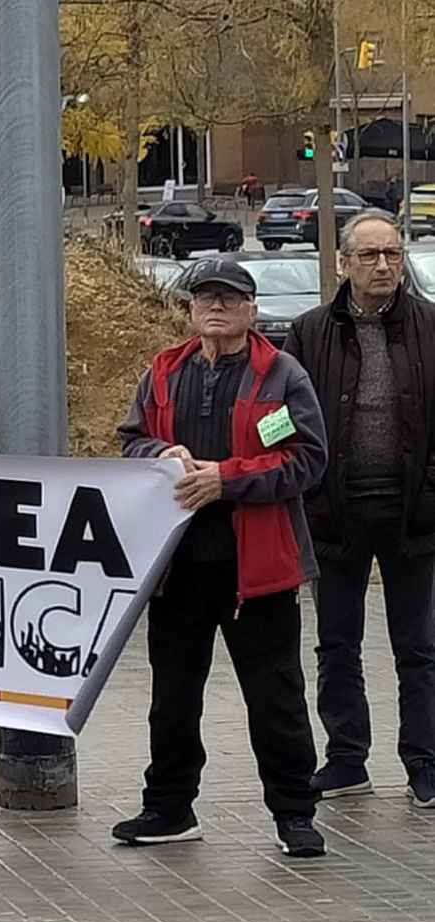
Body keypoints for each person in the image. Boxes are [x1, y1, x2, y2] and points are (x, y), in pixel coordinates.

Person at [116, 257, 329, 857]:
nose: (216, 307)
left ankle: (294, 815)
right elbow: (129, 441)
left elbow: (307, 462)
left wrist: (225, 480)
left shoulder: (281, 376)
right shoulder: (162, 372)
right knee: (173, 699)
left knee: (276, 698)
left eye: (229, 298)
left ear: (250, 310)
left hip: (257, 572)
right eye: (205, 297)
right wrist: (161, 452)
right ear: (189, 309)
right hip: (177, 568)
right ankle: (169, 809)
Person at [282, 209, 435, 807]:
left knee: (417, 648)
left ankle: (424, 761)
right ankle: (347, 759)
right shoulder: (309, 331)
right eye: (369, 255)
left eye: (392, 254)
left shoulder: (429, 327)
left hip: (413, 516)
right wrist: (304, 482)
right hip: (333, 515)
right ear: (343, 263)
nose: (382, 266)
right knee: (336, 644)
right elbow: (282, 418)